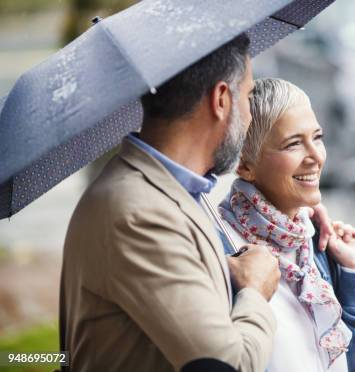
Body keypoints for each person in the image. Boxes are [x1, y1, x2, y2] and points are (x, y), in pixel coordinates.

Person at [60, 34, 283, 372]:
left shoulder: (174, 189)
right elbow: (228, 366)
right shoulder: (137, 212)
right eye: (248, 96)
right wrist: (255, 290)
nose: (251, 116)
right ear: (221, 99)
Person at [219, 78, 355, 372]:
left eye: (317, 137)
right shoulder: (224, 250)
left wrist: (354, 272)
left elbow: (342, 363)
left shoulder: (310, 240)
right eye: (293, 144)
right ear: (244, 165)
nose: (316, 156)